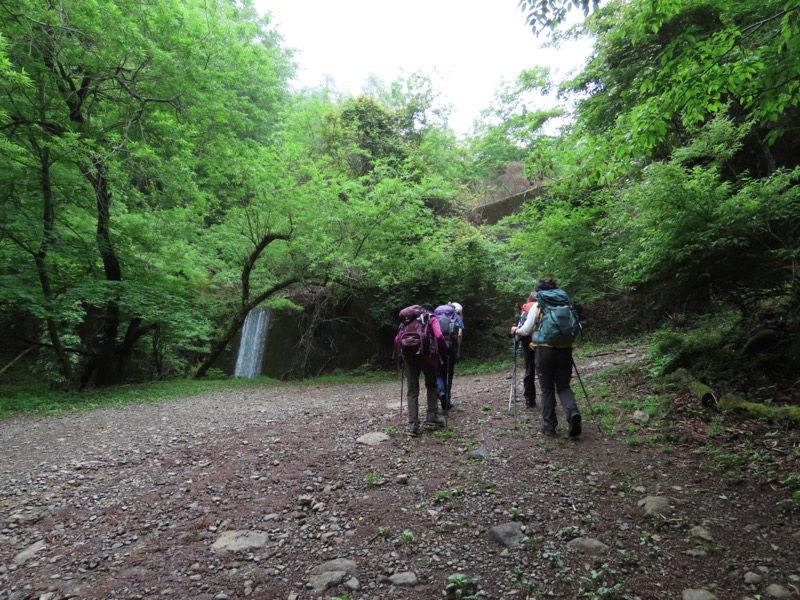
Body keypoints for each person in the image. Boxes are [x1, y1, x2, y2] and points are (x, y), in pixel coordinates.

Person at [514, 278, 582, 437]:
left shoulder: (538, 305)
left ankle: (549, 426)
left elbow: (526, 330)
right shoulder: (565, 305)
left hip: (544, 351)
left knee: (547, 388)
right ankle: (573, 413)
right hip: (565, 350)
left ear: (539, 291)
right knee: (564, 386)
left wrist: (515, 331)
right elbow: (577, 326)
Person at [397, 303, 449, 437]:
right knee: (431, 386)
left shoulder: (407, 320)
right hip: (427, 357)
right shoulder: (430, 318)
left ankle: (413, 424)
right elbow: (438, 335)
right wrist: (445, 347)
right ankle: (431, 415)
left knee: (412, 391)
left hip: (409, 357)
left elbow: (397, 339)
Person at [510, 292, 537, 408]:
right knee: (545, 371)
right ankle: (550, 400)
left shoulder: (527, 309)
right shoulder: (545, 307)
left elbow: (523, 328)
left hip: (528, 342)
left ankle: (530, 400)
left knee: (530, 370)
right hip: (545, 342)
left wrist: (515, 332)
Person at [436, 302, 464, 410]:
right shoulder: (456, 317)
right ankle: (447, 400)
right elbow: (460, 334)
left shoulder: (437, 317)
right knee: (449, 372)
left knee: (438, 372)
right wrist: (457, 350)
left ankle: (440, 391)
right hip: (451, 348)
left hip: (439, 349)